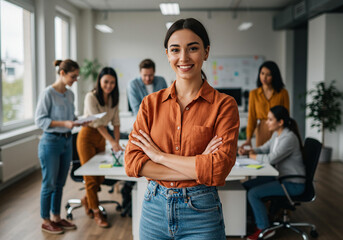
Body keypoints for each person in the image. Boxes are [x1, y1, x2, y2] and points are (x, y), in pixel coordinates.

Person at [125, 18, 240, 240]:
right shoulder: (150, 104)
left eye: (193, 48)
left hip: (201, 212)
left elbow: (218, 170)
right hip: (153, 210)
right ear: (167, 54)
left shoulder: (224, 105)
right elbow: (132, 163)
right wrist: (199, 165)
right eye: (175, 50)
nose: (184, 58)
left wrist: (158, 156)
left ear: (206, 52)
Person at [239, 105, 305, 240]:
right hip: (280, 178)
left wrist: (251, 156)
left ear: (280, 122)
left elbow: (271, 158)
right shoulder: (277, 134)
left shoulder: (289, 138)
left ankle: (264, 228)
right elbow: (264, 148)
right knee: (245, 186)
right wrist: (250, 151)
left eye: (270, 119)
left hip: (292, 183)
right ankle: (253, 220)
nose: (266, 122)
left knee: (253, 193)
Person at [35, 59, 81, 234]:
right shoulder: (48, 93)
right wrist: (64, 122)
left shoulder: (70, 95)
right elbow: (40, 120)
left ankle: (56, 217)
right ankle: (45, 220)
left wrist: (78, 120)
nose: (75, 80)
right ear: (62, 73)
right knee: (49, 183)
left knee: (60, 183)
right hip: (51, 143)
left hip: (67, 141)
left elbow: (71, 116)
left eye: (77, 76)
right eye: (73, 76)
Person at [76, 67, 123, 228]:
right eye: (106, 82)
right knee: (90, 176)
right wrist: (112, 141)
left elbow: (116, 122)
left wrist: (116, 143)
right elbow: (97, 124)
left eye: (112, 82)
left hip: (102, 138)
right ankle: (96, 212)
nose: (109, 85)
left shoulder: (113, 99)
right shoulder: (91, 97)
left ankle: (86, 200)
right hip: (87, 136)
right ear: (100, 81)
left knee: (101, 176)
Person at [239, 61, 289, 150]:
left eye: (268, 75)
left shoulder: (283, 93)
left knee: (276, 156)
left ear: (274, 76)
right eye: (262, 73)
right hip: (261, 130)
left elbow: (286, 116)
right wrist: (248, 138)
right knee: (261, 156)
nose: (264, 77)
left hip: (278, 129)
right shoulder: (253, 94)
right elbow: (252, 118)